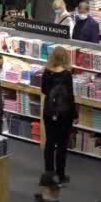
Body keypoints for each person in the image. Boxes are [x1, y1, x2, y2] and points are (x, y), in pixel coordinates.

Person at [42, 47, 76, 185]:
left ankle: (49, 174)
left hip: (49, 112)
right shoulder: (67, 74)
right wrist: (74, 113)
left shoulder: (46, 72)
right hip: (64, 113)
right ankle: (60, 174)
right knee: (62, 144)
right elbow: (70, 96)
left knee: (50, 143)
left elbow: (44, 90)